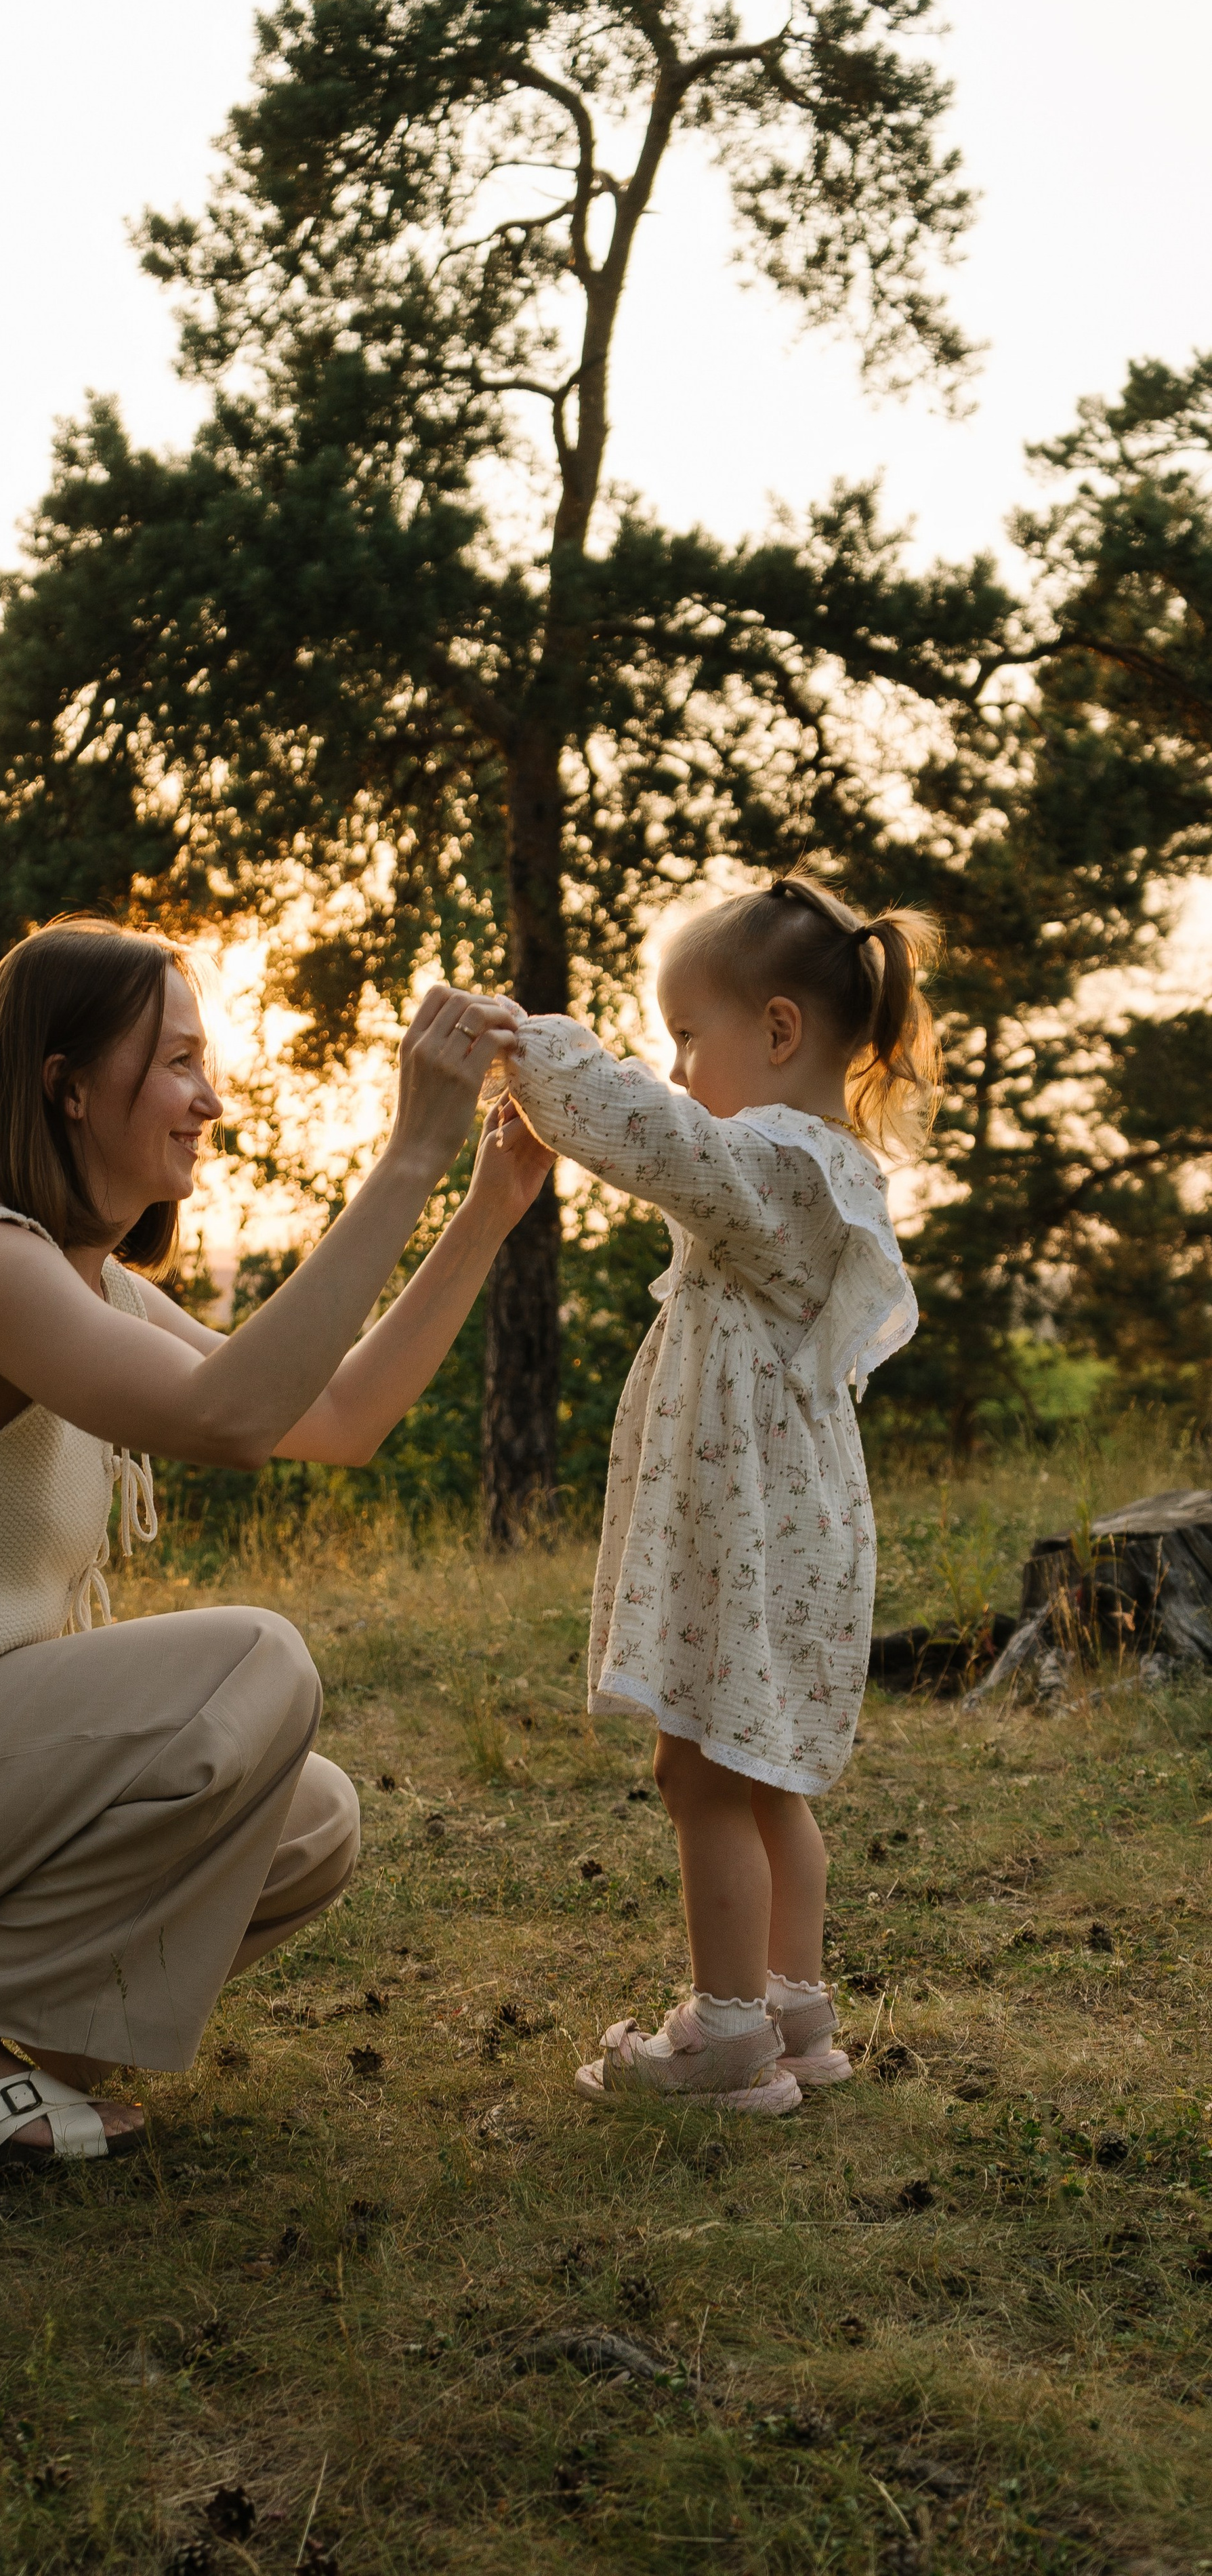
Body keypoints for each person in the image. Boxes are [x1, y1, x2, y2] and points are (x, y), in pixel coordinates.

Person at [0, 917, 549, 2168]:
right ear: (69, 1085)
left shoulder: (89, 1285)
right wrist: (409, 1146)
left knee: (308, 1823)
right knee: (256, 1664)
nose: (213, 1099)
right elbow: (232, 1420)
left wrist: (486, 1205)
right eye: (180, 1063)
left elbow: (340, 1418)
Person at [503, 874, 937, 2114]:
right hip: (782, 1524)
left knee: (698, 1775)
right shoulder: (818, 1169)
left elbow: (660, 1140)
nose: (679, 1066)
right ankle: (798, 2009)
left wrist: (535, 1046)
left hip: (745, 1530)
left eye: (690, 1035)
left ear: (781, 1031)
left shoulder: (774, 1163)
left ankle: (729, 2038)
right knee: (769, 1773)